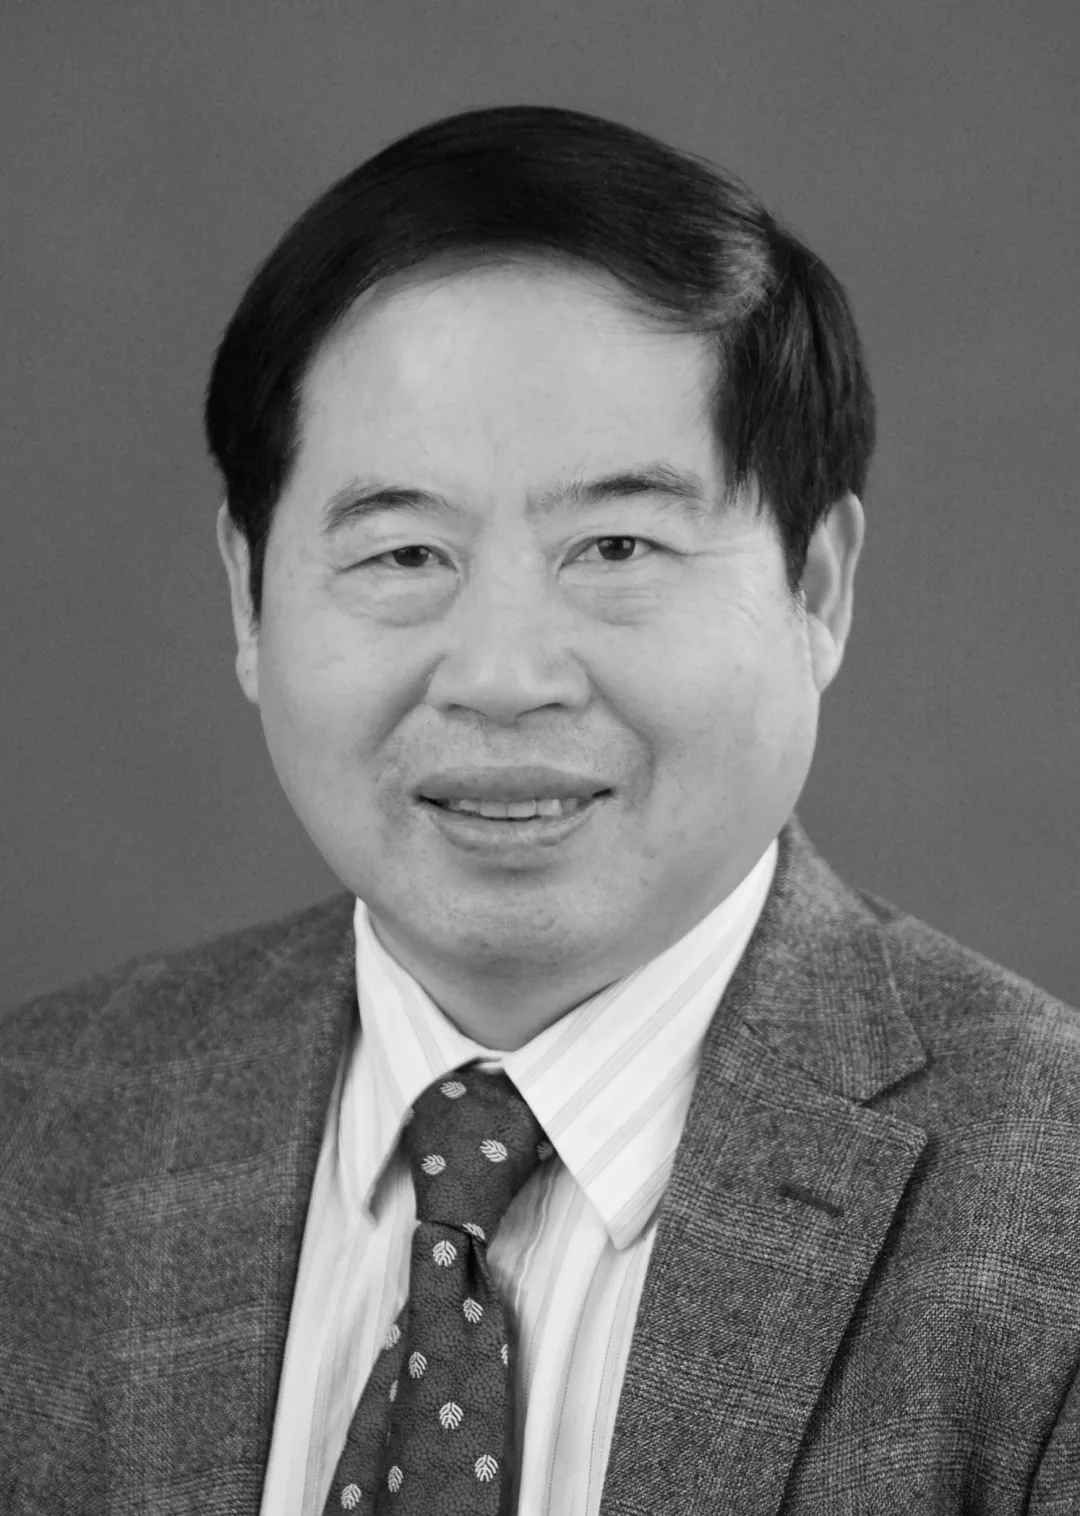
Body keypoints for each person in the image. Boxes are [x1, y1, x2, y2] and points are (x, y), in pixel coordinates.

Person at [1, 104, 1077, 1516]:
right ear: (249, 600)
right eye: (404, 553)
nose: (503, 676)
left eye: (616, 544)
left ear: (816, 586)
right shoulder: (35, 1141)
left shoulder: (1051, 1216)